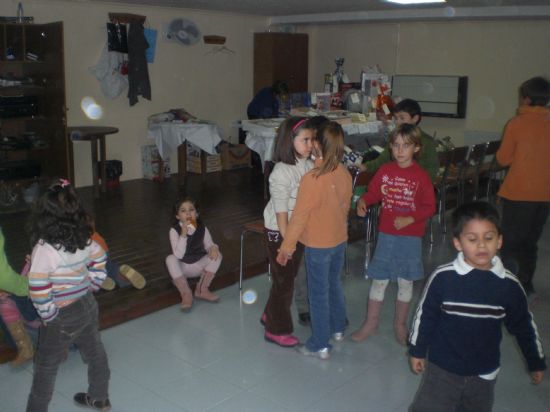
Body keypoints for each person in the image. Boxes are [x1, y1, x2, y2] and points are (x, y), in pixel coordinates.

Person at [408, 201, 546, 412]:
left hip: (484, 372)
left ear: (499, 241)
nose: (481, 245)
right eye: (472, 239)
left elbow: (524, 326)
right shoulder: (443, 278)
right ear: (458, 243)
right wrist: (417, 350)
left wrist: (535, 360)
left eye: (488, 238)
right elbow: (425, 315)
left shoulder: (508, 286)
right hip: (442, 368)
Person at [26, 179, 111, 412]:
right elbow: (101, 257)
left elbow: (38, 286)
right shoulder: (85, 237)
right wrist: (94, 282)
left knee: (45, 367)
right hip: (87, 303)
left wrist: (48, 314)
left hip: (61, 314)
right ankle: (100, 398)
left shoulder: (44, 249)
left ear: (44, 214)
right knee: (95, 351)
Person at [352, 123, 435, 345]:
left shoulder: (421, 176)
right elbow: (373, 193)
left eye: (406, 146)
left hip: (410, 238)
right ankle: (371, 323)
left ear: (416, 148)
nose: (400, 150)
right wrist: (363, 201)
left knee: (405, 281)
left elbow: (430, 206)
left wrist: (411, 218)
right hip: (387, 236)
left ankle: (400, 324)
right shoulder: (385, 170)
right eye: (396, 145)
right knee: (379, 279)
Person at [277, 121, 352, 359]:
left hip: (319, 246)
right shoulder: (343, 171)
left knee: (317, 294)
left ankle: (319, 343)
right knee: (334, 285)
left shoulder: (312, 178)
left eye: (312, 140)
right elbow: (345, 206)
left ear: (318, 145)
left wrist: (286, 246)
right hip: (339, 240)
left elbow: (299, 217)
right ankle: (338, 328)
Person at [261, 117, 316, 347]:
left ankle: (270, 313)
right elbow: (282, 211)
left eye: (312, 139)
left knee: (286, 277)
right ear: (289, 141)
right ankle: (276, 329)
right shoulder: (281, 172)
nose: (311, 144)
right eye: (305, 140)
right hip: (280, 231)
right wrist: (287, 242)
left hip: (297, 230)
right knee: (284, 280)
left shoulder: (308, 164)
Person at [496, 76, 550, 302]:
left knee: (509, 243)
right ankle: (527, 287)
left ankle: (509, 288)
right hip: (544, 195)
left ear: (526, 99)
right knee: (530, 242)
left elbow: (503, 159)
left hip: (518, 194)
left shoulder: (516, 124)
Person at [292, 115, 330, 327]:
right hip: (301, 226)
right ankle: (303, 307)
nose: (313, 144)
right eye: (309, 140)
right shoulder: (298, 167)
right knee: (302, 271)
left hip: (319, 225)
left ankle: (320, 306)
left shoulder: (326, 164)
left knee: (320, 271)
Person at [360, 98, 438, 182]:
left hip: (416, 186)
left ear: (415, 118)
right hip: (395, 182)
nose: (398, 122)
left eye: (402, 118)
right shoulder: (395, 137)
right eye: (396, 118)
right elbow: (382, 160)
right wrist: (365, 167)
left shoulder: (426, 142)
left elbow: (431, 172)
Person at [165, 197, 222, 311]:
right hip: (183, 269)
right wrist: (183, 235)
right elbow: (178, 256)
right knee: (170, 259)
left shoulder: (202, 228)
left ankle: (201, 290)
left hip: (199, 266)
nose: (188, 213)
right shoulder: (174, 230)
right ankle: (186, 294)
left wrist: (214, 247)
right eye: (183, 210)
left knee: (218, 255)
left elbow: (209, 244)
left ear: (196, 214)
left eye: (191, 210)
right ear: (177, 216)